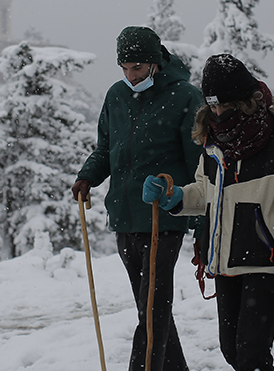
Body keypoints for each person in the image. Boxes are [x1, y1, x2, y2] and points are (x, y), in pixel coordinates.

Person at [143, 54, 274, 371]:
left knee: (252, 356)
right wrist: (175, 196)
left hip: (265, 262)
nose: (218, 112)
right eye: (213, 105)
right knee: (232, 352)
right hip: (226, 264)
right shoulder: (214, 143)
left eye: (225, 105)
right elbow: (204, 191)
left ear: (244, 100)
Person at [72, 26, 204, 371]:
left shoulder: (185, 97)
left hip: (165, 216)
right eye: (125, 68)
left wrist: (200, 218)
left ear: (156, 62)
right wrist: (88, 176)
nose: (131, 76)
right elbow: (107, 148)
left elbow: (198, 164)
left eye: (138, 68)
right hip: (125, 216)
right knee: (150, 307)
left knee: (153, 307)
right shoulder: (116, 96)